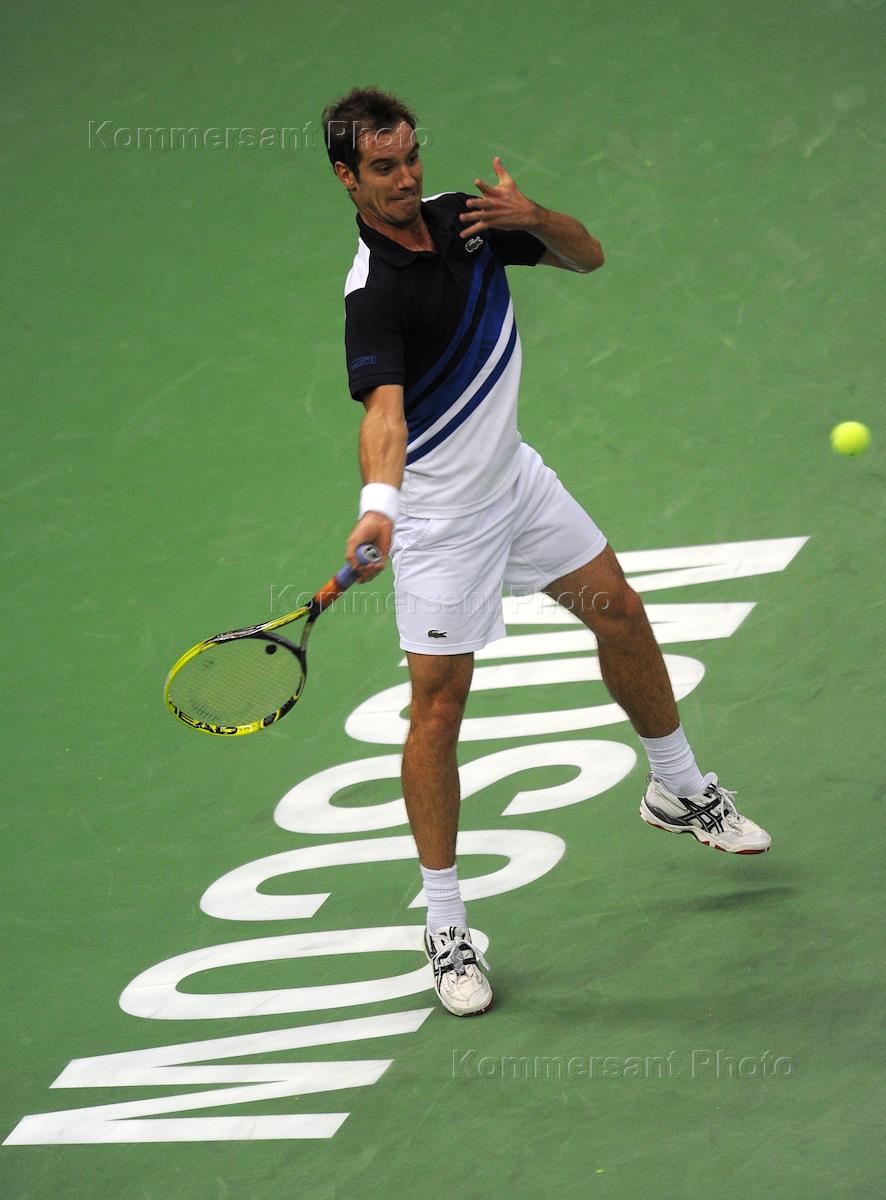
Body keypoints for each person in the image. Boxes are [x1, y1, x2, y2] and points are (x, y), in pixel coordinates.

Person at [321, 86, 770, 1018]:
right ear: (347, 179)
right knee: (438, 711)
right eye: (383, 168)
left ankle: (679, 787)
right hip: (441, 523)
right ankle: (446, 926)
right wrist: (379, 508)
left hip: (516, 485)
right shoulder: (373, 294)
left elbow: (587, 255)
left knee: (622, 613)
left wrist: (531, 215)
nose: (405, 179)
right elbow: (385, 416)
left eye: (410, 158)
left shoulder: (468, 221)